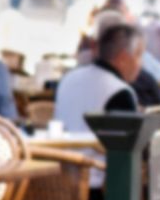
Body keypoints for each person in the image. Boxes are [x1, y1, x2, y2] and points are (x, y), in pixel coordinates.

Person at [55, 23, 146, 181]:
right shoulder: (119, 91)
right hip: (95, 183)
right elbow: (126, 152)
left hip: (58, 178)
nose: (141, 64)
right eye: (139, 55)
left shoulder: (68, 78)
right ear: (124, 58)